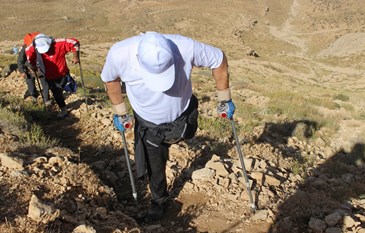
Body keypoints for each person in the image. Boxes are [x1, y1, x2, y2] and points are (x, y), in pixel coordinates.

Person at [101, 31, 235, 220]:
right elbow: (110, 80)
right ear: (138, 58)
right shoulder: (120, 53)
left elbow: (218, 59)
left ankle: (175, 137)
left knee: (184, 133)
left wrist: (224, 98)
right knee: (155, 164)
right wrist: (121, 111)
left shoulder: (185, 47)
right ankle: (159, 202)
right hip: (149, 124)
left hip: (182, 117)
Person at [25, 33, 80, 118]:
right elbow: (30, 58)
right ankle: (63, 109)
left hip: (63, 73)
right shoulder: (31, 48)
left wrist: (76, 56)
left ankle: (65, 99)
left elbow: (74, 42)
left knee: (70, 88)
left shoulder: (58, 43)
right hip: (48, 76)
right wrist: (33, 67)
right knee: (56, 92)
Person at [18, 32, 44, 102]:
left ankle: (46, 98)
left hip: (40, 67)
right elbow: (20, 60)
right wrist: (22, 71)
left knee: (44, 82)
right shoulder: (24, 47)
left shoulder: (41, 46)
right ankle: (33, 97)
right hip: (29, 68)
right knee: (30, 83)